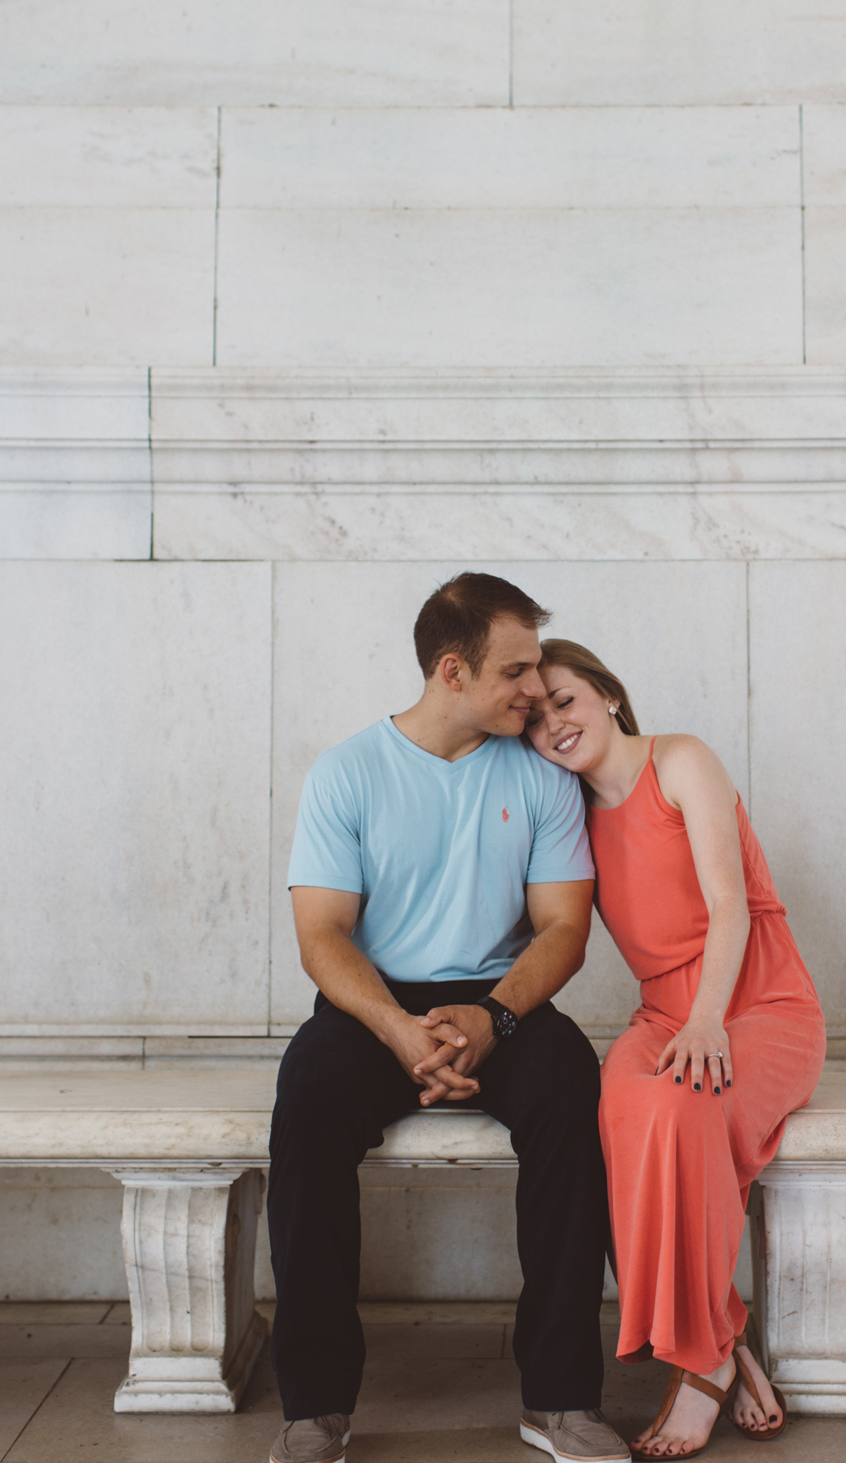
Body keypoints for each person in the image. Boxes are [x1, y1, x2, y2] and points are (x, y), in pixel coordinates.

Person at [268, 575, 629, 1463]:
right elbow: (320, 936)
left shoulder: (542, 771)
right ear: (452, 670)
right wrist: (397, 1026)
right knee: (307, 1100)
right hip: (374, 1002)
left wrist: (494, 1016)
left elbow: (563, 928)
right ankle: (314, 1406)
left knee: (574, 1095)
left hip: (503, 1000)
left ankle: (559, 1398)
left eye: (539, 667)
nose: (536, 689)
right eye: (516, 670)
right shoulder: (347, 771)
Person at [526, 640, 826, 1461]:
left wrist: (707, 1020)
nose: (554, 723)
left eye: (566, 700)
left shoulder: (681, 760)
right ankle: (723, 1346)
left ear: (609, 696)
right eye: (536, 716)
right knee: (619, 1111)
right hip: (663, 1015)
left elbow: (729, 904)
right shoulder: (572, 819)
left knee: (679, 1105)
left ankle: (698, 1371)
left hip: (757, 1004)